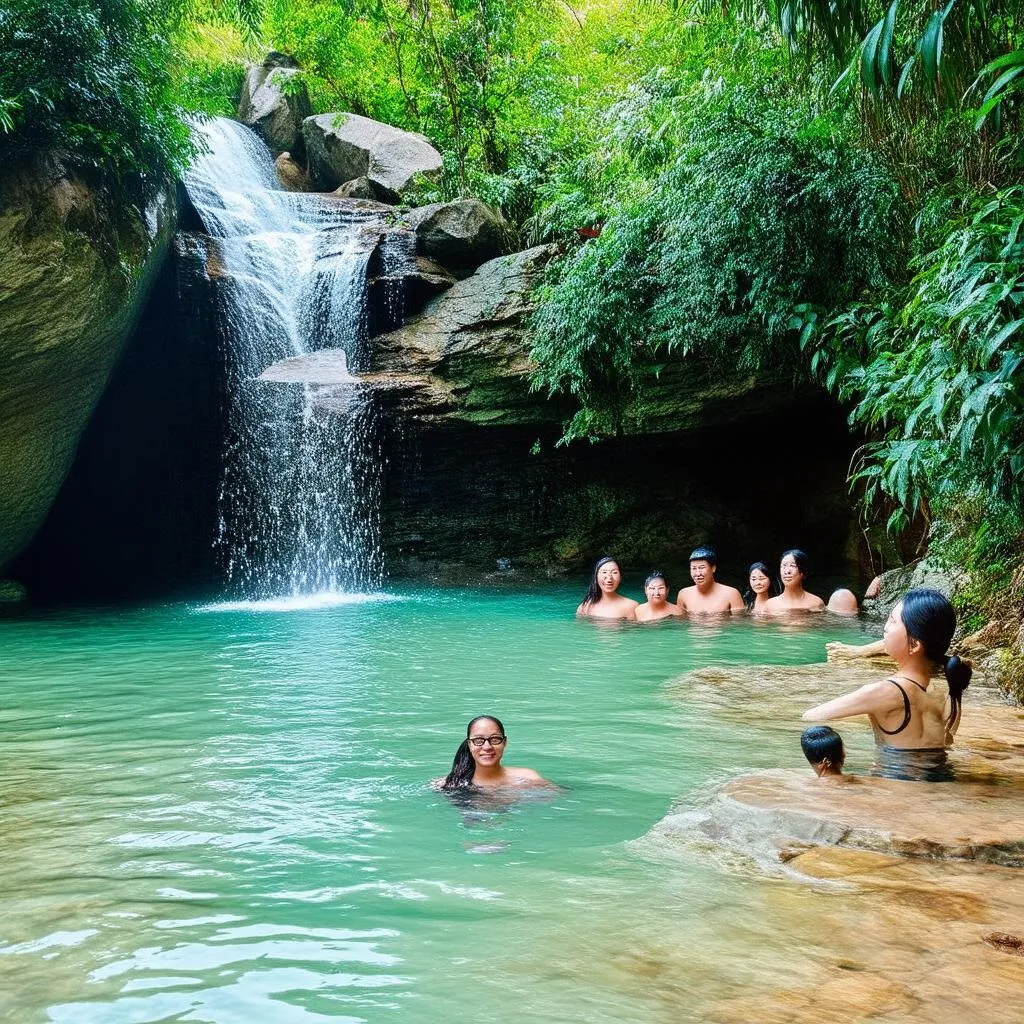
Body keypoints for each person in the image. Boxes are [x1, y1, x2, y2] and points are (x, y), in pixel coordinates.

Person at [802, 589, 972, 779]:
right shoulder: (942, 694)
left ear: (914, 645)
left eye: (892, 621)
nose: (886, 627)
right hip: (941, 781)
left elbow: (812, 715)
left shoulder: (884, 692)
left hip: (895, 786)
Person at [438, 715, 552, 791]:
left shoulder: (528, 778)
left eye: (495, 739)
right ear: (469, 744)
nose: (487, 747)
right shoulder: (451, 784)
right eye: (478, 740)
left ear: (505, 742)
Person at [676, 546, 744, 614]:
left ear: (713, 568)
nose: (697, 573)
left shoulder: (731, 594)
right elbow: (682, 623)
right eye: (694, 568)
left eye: (702, 568)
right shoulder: (683, 594)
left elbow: (739, 623)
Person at [763, 549, 826, 614]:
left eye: (792, 566)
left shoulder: (816, 603)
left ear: (803, 572)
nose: (787, 571)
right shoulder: (770, 605)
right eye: (784, 566)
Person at [577, 555, 638, 620]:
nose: (609, 578)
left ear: (620, 577)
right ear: (596, 577)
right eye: (604, 572)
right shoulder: (585, 607)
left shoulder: (632, 607)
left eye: (615, 572)